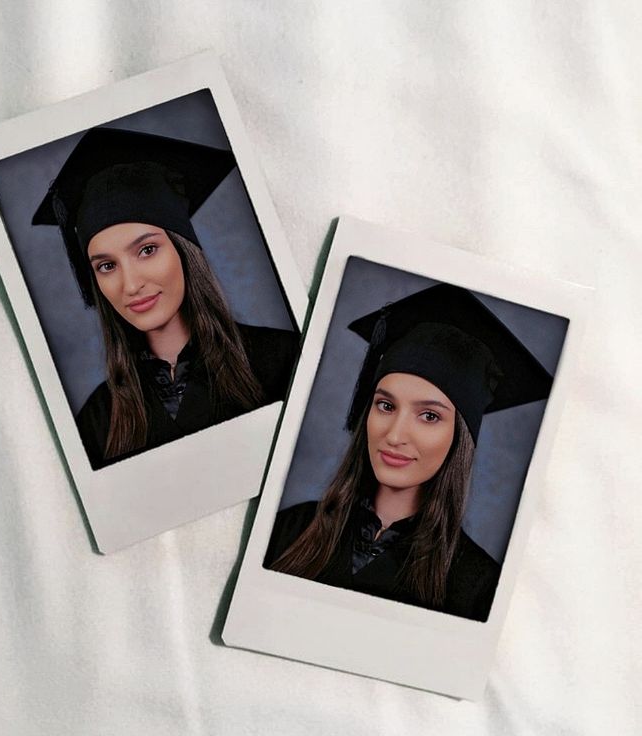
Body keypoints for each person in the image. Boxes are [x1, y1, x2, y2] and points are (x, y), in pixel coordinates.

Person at [264, 284, 554, 622]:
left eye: (429, 416)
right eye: (386, 405)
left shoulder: (477, 586)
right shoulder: (292, 527)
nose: (396, 434)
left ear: (458, 439)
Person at [32, 127, 299, 469]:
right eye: (107, 265)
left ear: (184, 251)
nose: (130, 284)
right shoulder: (99, 417)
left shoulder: (282, 359)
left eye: (147, 250)